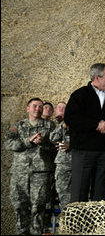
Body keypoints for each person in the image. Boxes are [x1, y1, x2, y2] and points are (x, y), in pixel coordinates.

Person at [64, 63, 105, 203]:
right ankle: (77, 224)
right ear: (97, 77)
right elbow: (70, 118)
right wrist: (95, 124)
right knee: (79, 192)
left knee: (101, 193)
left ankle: (98, 224)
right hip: (83, 151)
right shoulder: (80, 94)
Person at [5, 98, 57, 235]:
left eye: (40, 106)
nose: (37, 109)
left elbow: (57, 147)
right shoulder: (19, 125)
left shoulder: (51, 126)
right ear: (28, 108)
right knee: (20, 206)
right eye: (34, 106)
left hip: (41, 173)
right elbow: (8, 144)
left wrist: (43, 142)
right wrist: (28, 141)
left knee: (38, 208)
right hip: (20, 173)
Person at [49, 101, 72, 210]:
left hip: (78, 162)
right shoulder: (58, 124)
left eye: (64, 107)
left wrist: (71, 145)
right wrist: (62, 126)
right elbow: (53, 138)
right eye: (59, 107)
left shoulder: (77, 121)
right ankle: (66, 219)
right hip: (63, 163)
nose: (62, 109)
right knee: (63, 193)